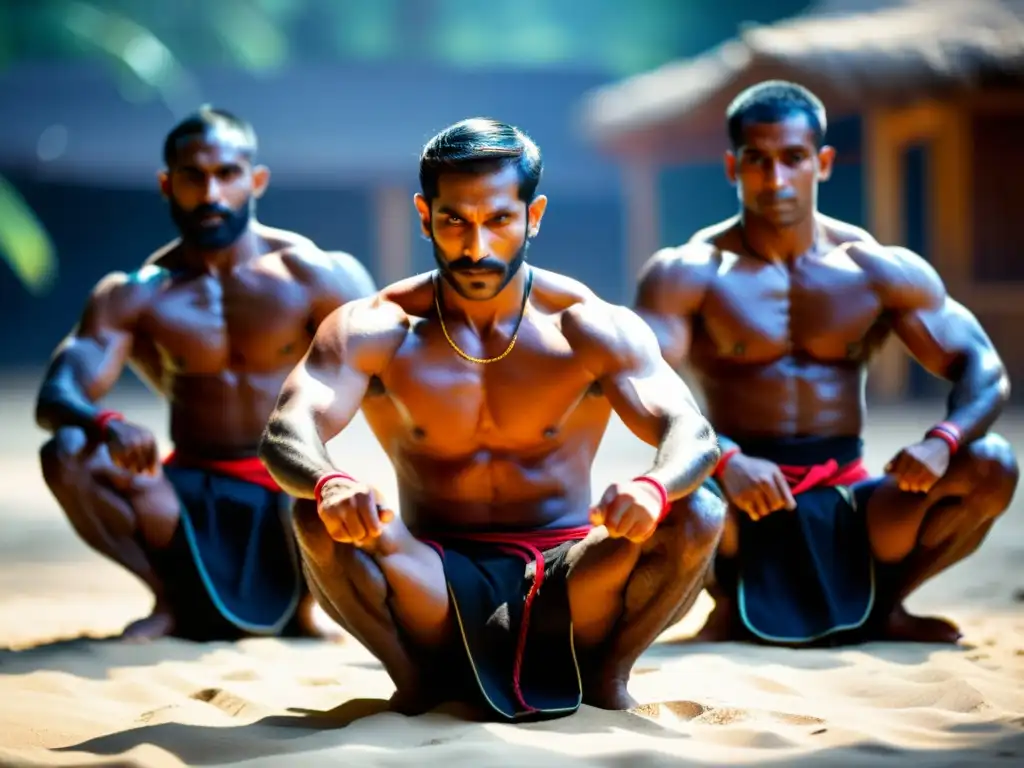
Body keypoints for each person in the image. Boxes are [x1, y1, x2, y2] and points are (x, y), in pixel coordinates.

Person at [258, 117, 724, 720]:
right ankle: (414, 682)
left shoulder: (586, 325)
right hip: (431, 577)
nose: (476, 246)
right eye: (455, 220)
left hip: (569, 576)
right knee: (311, 513)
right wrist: (330, 482)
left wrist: (652, 486)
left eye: (499, 219)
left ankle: (608, 678)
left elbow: (693, 432)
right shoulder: (377, 328)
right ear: (425, 215)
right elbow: (285, 431)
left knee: (700, 509)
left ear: (533, 216)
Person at [634, 80, 1019, 647]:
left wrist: (943, 439)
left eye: (793, 158)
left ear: (824, 161)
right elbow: (641, 379)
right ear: (731, 167)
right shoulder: (687, 272)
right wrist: (725, 460)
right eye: (756, 161)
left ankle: (884, 606)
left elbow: (983, 367)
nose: (775, 179)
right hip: (739, 500)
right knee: (679, 502)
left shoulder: (875, 270)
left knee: (991, 464)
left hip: (851, 499)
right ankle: (725, 608)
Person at [36, 107, 377, 642]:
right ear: (167, 185)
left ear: (255, 180)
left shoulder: (317, 273)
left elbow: (393, 374)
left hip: (288, 479)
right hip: (187, 485)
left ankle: (305, 610)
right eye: (193, 177)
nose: (211, 192)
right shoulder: (137, 292)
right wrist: (106, 422)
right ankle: (168, 601)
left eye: (227, 174)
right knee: (67, 452)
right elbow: (57, 393)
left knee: (343, 491)